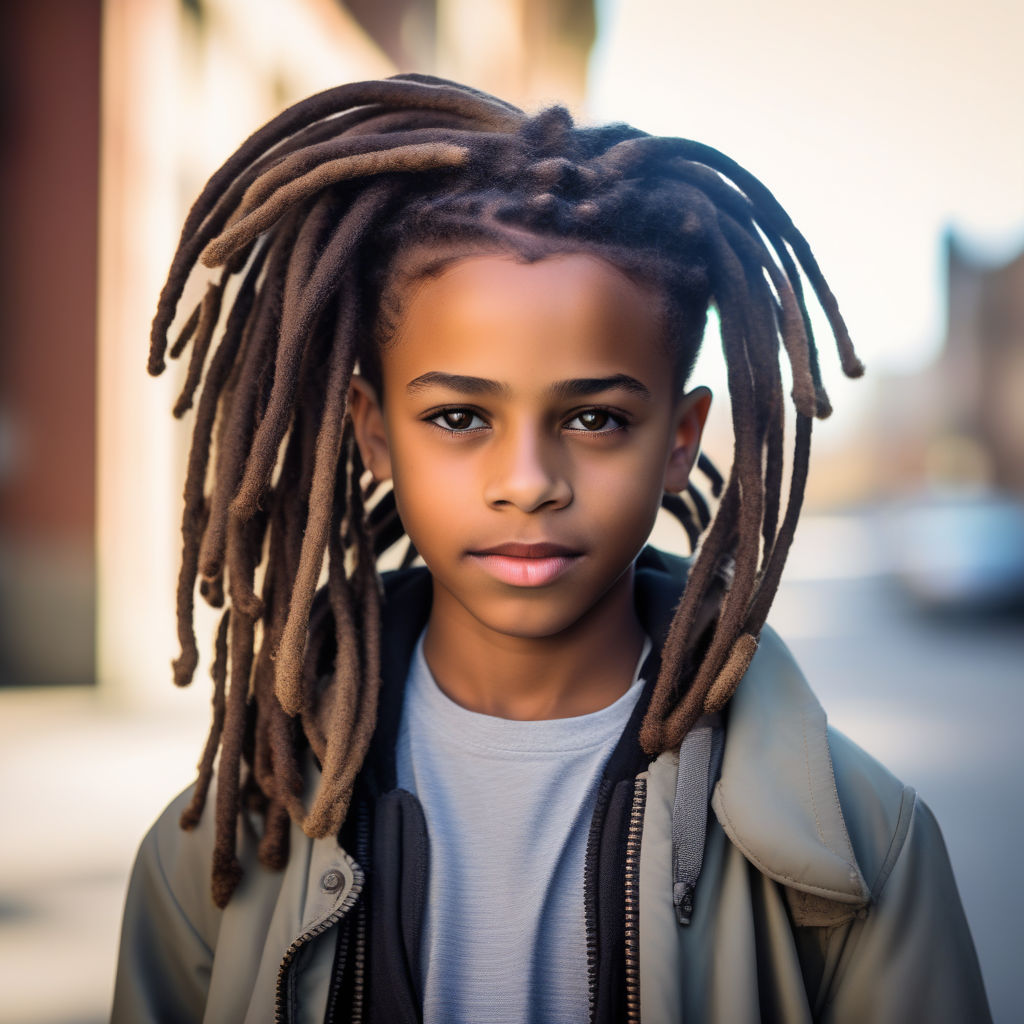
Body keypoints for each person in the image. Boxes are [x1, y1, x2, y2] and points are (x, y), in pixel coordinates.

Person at [111, 74, 990, 1023]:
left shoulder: (860, 848)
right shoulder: (220, 851)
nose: (528, 479)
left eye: (594, 418)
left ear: (681, 442)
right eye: (458, 416)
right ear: (370, 434)